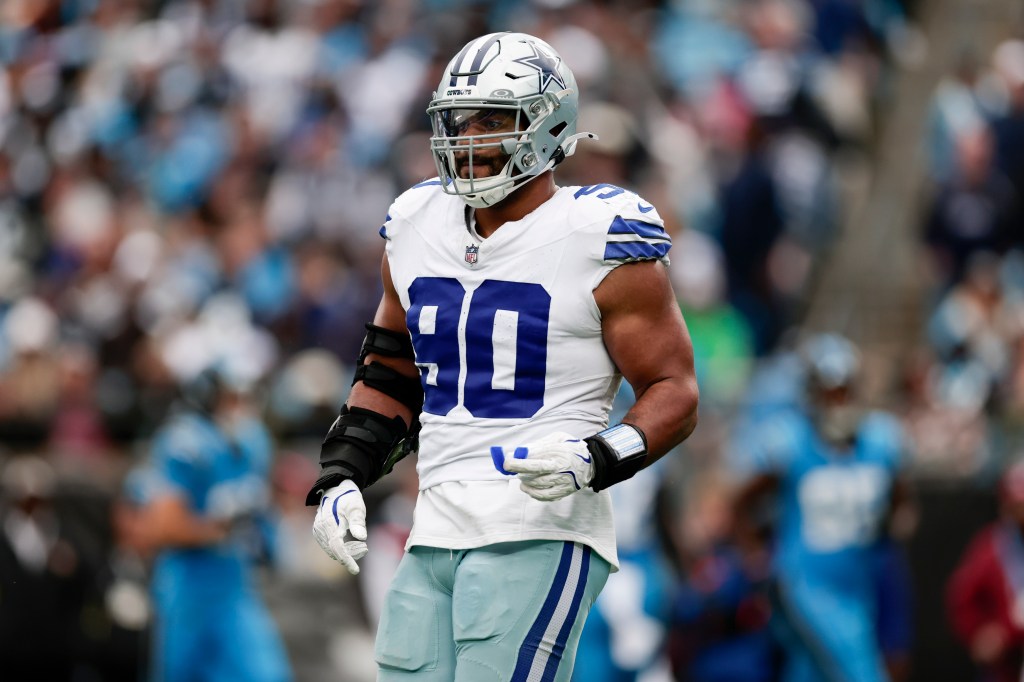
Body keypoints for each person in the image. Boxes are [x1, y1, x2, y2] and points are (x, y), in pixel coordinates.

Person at [306, 31, 699, 681]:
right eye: (460, 120)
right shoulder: (413, 223)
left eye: (493, 121)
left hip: (537, 525)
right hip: (434, 526)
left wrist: (597, 456)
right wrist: (342, 473)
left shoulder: (599, 234)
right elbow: (391, 371)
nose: (469, 138)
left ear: (549, 127)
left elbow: (675, 390)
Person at [731, 332, 911, 682]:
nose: (837, 402)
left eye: (843, 390)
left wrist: (893, 525)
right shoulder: (792, 441)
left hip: (858, 579)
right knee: (861, 672)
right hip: (806, 581)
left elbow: (900, 499)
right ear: (810, 394)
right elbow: (742, 501)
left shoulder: (880, 441)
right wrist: (753, 552)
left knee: (809, 673)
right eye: (828, 391)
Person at [127, 365, 292, 682]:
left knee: (268, 674)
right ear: (208, 397)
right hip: (189, 592)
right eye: (231, 398)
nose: (240, 408)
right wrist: (221, 530)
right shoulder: (184, 441)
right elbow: (163, 527)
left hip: (235, 588)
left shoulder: (254, 441)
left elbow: (263, 507)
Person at [946, 458, 1024, 682]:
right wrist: (979, 634)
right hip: (1006, 666)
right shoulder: (992, 546)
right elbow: (961, 597)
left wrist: (1007, 633)